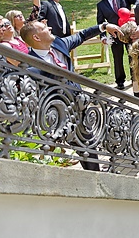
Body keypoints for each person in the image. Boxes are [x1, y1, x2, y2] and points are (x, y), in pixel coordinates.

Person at [21, 18, 122, 171]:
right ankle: (94, 174)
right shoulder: (30, 65)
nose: (49, 28)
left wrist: (104, 26)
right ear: (36, 37)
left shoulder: (59, 44)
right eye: (44, 28)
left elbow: (81, 36)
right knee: (85, 144)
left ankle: (93, 174)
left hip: (80, 103)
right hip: (61, 112)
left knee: (88, 144)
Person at [96, 0, 139, 90]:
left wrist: (134, 9)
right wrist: (103, 37)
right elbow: (100, 22)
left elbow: (138, 0)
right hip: (114, 34)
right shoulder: (101, 5)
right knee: (117, 58)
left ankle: (135, 78)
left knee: (133, 55)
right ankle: (120, 82)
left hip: (129, 32)